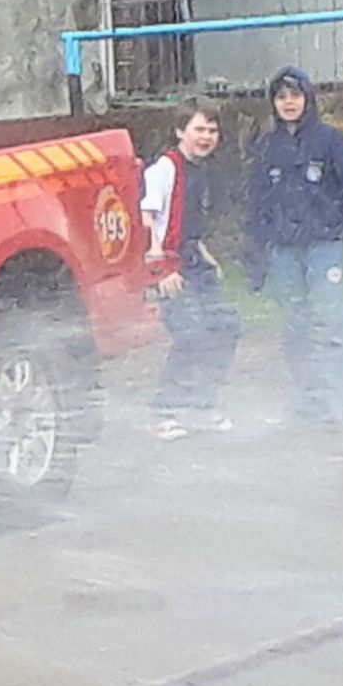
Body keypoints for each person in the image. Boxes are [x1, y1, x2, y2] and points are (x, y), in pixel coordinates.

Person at [245, 67, 343, 425]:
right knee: (295, 324)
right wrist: (254, 259)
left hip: (325, 244)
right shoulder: (266, 147)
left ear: (308, 99)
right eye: (281, 97)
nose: (289, 103)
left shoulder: (330, 141)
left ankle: (341, 402)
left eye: (295, 95)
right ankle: (309, 401)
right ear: (273, 102)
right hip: (284, 251)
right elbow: (257, 204)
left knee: (332, 318)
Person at [142, 99, 241, 441]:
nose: (206, 137)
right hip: (167, 265)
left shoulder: (203, 169)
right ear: (180, 131)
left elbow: (186, 223)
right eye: (199, 129)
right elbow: (148, 222)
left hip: (194, 262)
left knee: (226, 327)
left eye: (212, 131)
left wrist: (203, 252)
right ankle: (163, 410)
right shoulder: (164, 169)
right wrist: (162, 269)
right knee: (190, 334)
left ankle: (203, 405)